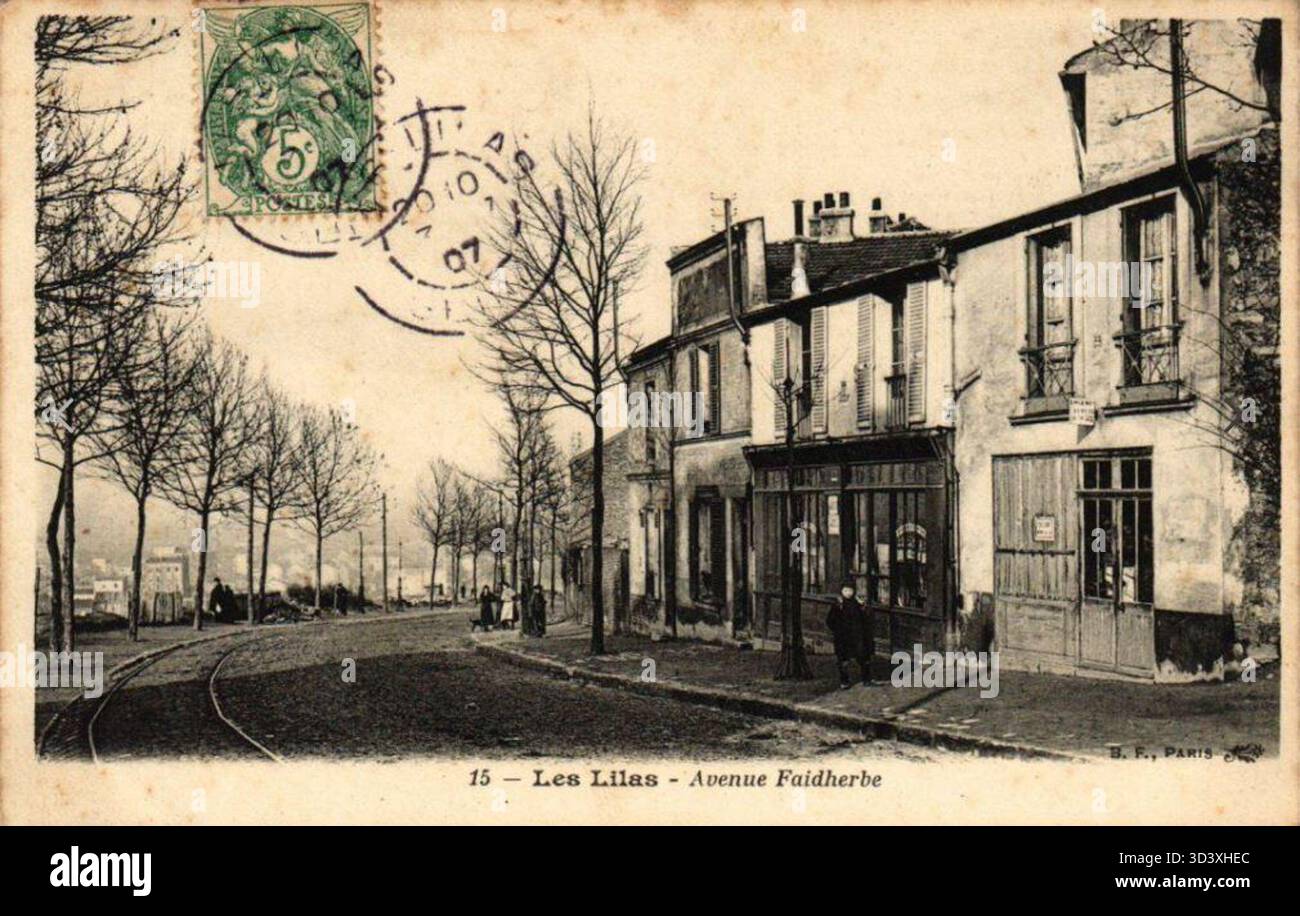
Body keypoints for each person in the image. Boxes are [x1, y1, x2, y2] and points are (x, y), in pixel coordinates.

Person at [826, 578, 873, 688]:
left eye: (850, 590)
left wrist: (864, 607)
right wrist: (837, 630)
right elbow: (830, 620)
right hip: (842, 637)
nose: (848, 593)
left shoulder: (857, 604)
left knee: (863, 657)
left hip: (857, 636)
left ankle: (866, 679)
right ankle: (844, 681)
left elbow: (866, 618)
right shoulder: (838, 605)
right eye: (846, 590)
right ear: (842, 591)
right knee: (843, 660)